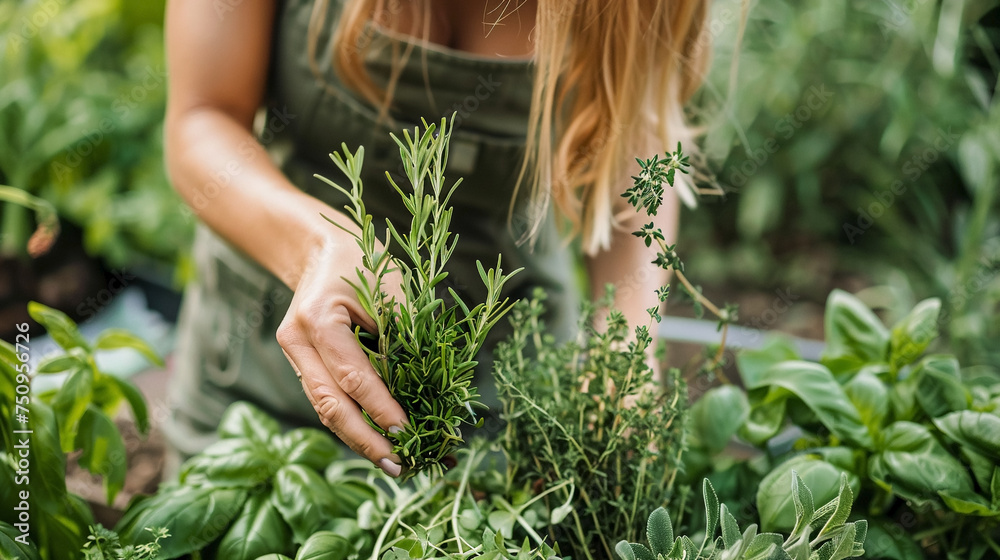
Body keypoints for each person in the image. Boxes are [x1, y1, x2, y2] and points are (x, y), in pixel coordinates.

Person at [162, 0, 709, 478]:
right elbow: (201, 118)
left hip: (505, 393)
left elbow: (635, 159)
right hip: (260, 382)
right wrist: (315, 246)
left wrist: (624, 353)